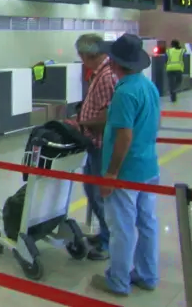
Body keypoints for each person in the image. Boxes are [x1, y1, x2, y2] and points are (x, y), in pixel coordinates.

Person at [89, 33, 160, 297]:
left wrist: (111, 173)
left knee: (122, 228)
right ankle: (147, 275)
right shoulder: (147, 86)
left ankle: (118, 281)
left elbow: (124, 135)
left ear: (115, 62)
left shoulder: (124, 93)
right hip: (149, 167)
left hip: (126, 172)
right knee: (147, 222)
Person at [67, 34, 116, 260]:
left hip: (100, 145)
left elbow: (108, 117)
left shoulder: (106, 76)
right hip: (94, 144)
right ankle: (105, 233)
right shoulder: (102, 73)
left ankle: (108, 242)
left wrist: (81, 123)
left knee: (98, 194)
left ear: (85, 55)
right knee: (92, 190)